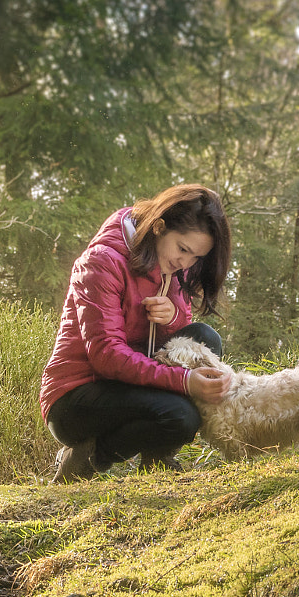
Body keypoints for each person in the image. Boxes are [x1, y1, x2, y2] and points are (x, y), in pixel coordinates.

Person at [40, 184, 233, 482]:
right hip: (78, 396)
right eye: (183, 249)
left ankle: (156, 459)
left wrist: (173, 315)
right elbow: (107, 356)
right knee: (181, 416)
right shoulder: (102, 261)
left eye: (196, 257)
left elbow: (178, 338)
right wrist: (183, 382)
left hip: (128, 382)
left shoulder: (173, 265)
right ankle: (82, 460)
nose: (186, 263)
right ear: (159, 226)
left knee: (205, 338)